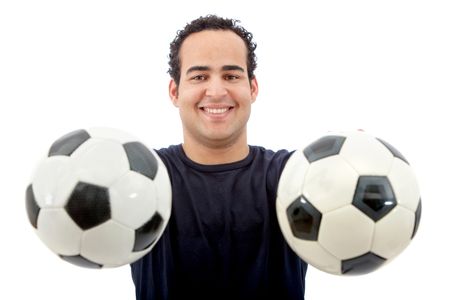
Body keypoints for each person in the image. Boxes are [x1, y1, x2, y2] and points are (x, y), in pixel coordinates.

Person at [130, 15, 307, 300]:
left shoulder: (296, 176)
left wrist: (354, 158)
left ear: (253, 88)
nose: (215, 92)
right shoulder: (139, 177)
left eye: (231, 76)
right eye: (199, 76)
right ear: (175, 91)